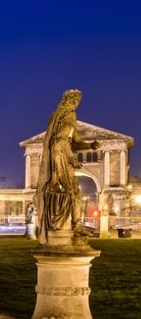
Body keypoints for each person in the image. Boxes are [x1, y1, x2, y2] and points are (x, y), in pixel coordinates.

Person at [34, 89, 97, 243]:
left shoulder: (56, 116)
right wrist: (71, 158)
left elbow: (73, 142)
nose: (76, 105)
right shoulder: (69, 115)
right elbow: (61, 140)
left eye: (77, 103)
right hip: (60, 155)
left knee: (71, 190)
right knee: (73, 190)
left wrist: (90, 146)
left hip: (59, 153)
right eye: (75, 102)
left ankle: (73, 224)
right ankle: (75, 225)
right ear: (69, 101)